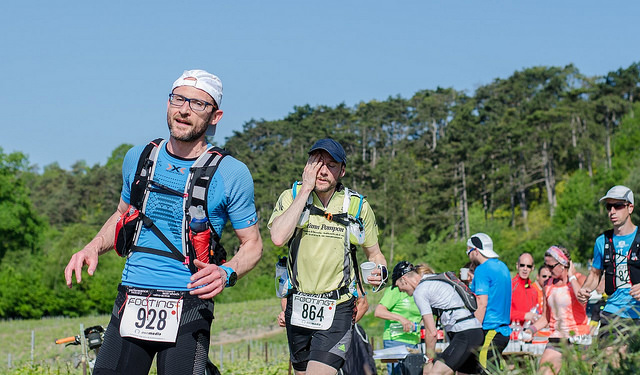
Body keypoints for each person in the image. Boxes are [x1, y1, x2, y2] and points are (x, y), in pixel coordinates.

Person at [64, 69, 263, 374]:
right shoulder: (139, 158)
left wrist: (226, 273)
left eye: (198, 104)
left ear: (215, 116)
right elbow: (121, 214)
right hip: (132, 297)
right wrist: (93, 246)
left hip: (189, 301)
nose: (184, 110)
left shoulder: (232, 173)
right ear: (168, 103)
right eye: (179, 99)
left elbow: (252, 244)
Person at [269, 138, 387, 375]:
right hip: (299, 304)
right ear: (307, 165)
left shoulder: (356, 206)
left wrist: (380, 273)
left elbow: (375, 255)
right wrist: (305, 189)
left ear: (342, 171)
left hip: (339, 306)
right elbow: (278, 238)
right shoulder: (291, 196)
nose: (322, 171)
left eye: (331, 165)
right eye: (317, 163)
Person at [577, 185, 640, 353]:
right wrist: (585, 289)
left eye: (618, 206)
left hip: (638, 315)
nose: (612, 211)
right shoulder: (601, 241)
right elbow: (595, 273)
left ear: (630, 207)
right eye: (608, 207)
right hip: (612, 312)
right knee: (605, 363)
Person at [393, 261, 484, 375]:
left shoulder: (420, 291)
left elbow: (432, 333)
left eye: (398, 286)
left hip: (465, 334)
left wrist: (428, 361)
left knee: (435, 373)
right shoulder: (432, 279)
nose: (401, 290)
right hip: (474, 331)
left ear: (404, 279)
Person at [524, 246, 589, 375]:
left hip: (578, 338)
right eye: (546, 266)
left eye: (551, 266)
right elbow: (546, 317)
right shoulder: (548, 284)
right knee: (544, 372)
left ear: (564, 264)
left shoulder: (579, 279)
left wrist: (571, 277)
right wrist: (531, 330)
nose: (548, 270)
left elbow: (582, 300)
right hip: (556, 339)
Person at [465, 233, 511, 372]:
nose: (467, 254)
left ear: (476, 251)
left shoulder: (482, 270)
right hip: (503, 331)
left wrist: (474, 330)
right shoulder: (503, 266)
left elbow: (482, 303)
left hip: (491, 330)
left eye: (468, 250)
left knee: (485, 370)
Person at [374, 284, 422, 375]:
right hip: (395, 341)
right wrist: (401, 319)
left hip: (414, 342)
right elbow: (379, 312)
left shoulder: (420, 291)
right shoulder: (396, 290)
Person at [510, 252, 541, 324]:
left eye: (528, 266)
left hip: (528, 331)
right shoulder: (510, 286)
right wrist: (524, 316)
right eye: (522, 265)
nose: (525, 269)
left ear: (532, 268)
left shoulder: (533, 290)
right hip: (512, 331)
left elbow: (537, 311)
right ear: (517, 266)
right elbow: (502, 313)